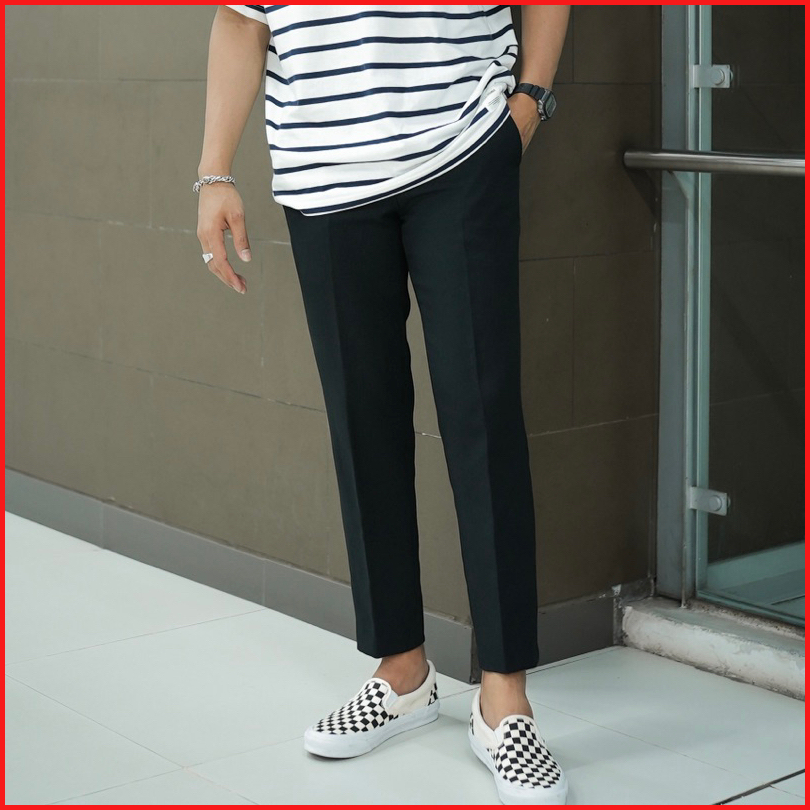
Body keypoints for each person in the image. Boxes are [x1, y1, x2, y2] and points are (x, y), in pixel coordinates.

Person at [196, 5, 571, 804]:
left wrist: (530, 102)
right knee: (362, 422)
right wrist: (214, 171)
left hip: (463, 151)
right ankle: (401, 672)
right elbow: (239, 20)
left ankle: (505, 700)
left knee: (483, 416)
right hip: (322, 177)